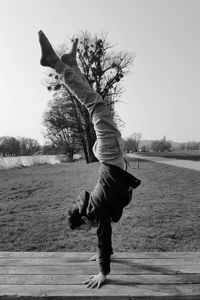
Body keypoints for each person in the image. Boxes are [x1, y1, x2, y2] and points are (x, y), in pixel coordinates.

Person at [38, 30, 141, 289]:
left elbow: (102, 236)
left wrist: (103, 272)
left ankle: (55, 64)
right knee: (95, 103)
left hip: (109, 155)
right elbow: (102, 237)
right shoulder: (93, 209)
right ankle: (71, 66)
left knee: (94, 104)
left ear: (84, 221)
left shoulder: (96, 211)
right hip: (110, 156)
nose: (86, 233)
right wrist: (102, 254)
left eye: (82, 230)